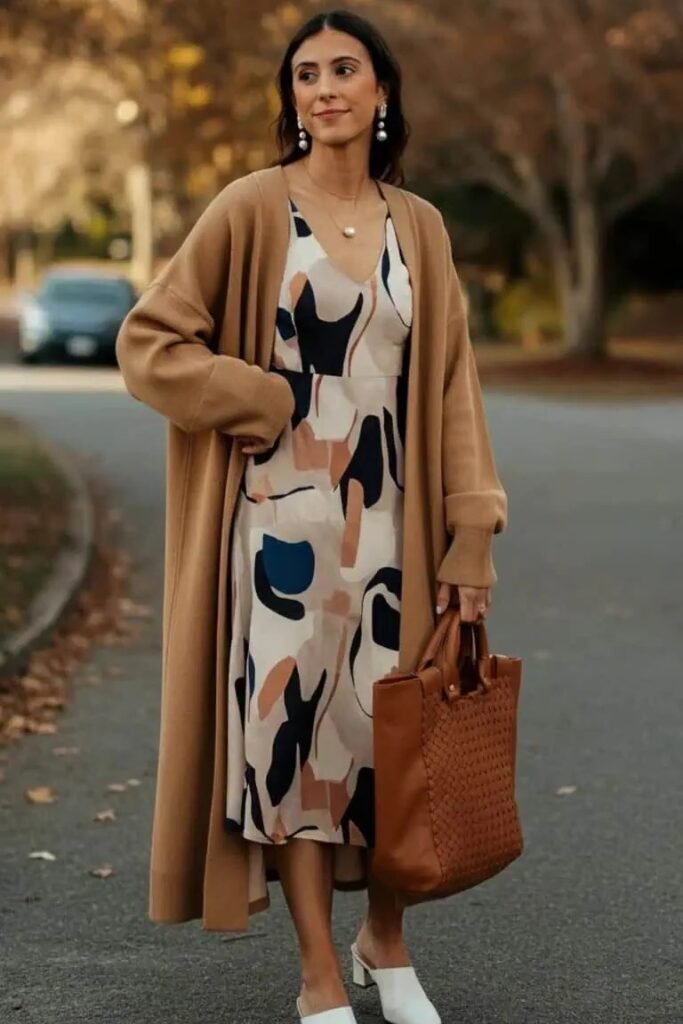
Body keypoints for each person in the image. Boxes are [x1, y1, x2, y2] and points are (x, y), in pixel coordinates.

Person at [116, 9, 508, 1024]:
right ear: (291, 99)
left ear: (381, 92)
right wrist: (254, 396)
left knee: (391, 742)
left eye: (343, 69)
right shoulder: (251, 206)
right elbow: (150, 341)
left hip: (394, 530)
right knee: (293, 743)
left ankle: (385, 938)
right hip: (278, 529)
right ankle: (317, 970)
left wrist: (470, 534)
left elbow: (453, 387)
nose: (323, 88)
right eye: (304, 74)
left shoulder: (419, 225)